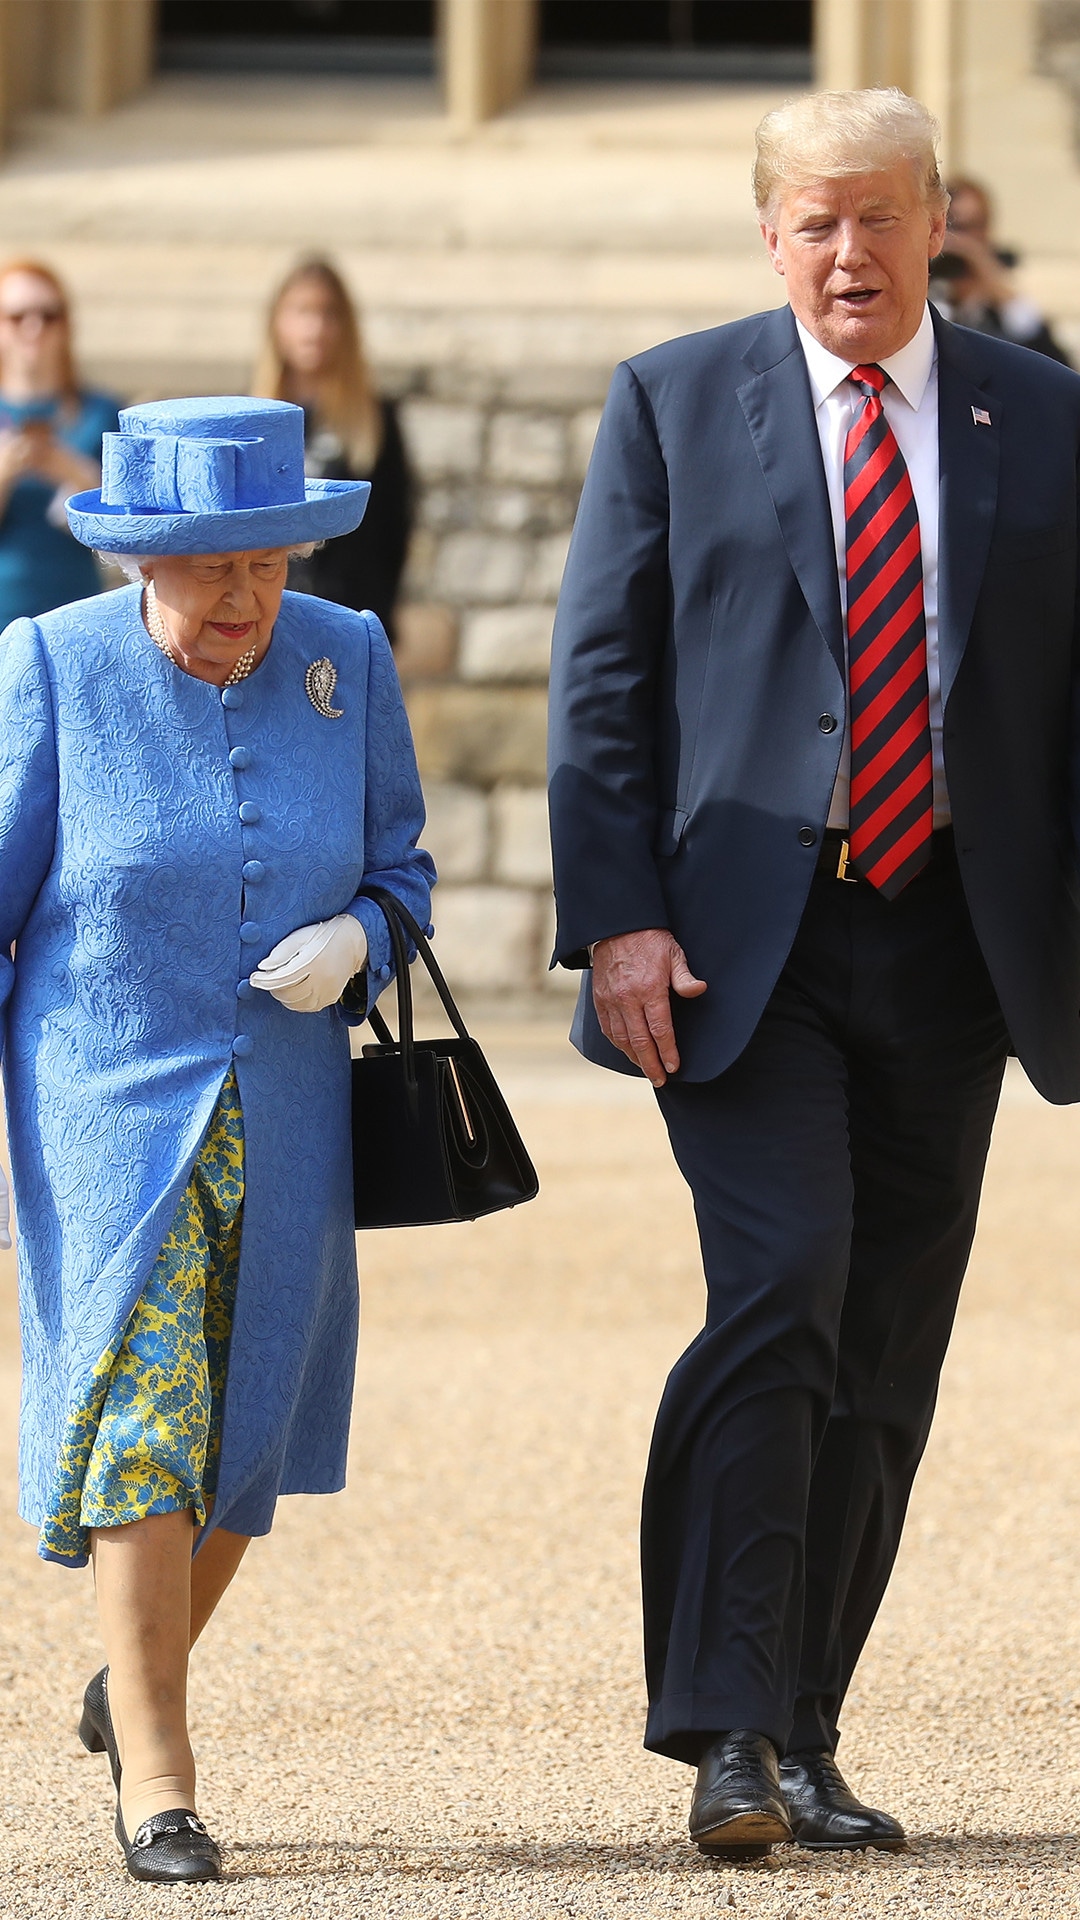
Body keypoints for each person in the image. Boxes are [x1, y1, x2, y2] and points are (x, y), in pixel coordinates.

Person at [548, 86, 1080, 1860]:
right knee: (784, 1290)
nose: (849, 253)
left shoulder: (1049, 417)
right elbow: (604, 686)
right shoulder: (676, 402)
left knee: (888, 1349)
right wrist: (617, 917)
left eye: (881, 216)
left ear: (941, 218)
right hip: (735, 954)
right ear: (767, 234)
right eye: (814, 221)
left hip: (957, 944)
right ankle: (724, 1727)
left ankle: (809, 1726)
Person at [0, 394, 434, 1883]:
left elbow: (404, 871)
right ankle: (163, 1784)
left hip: (293, 1114)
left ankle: (130, 1677)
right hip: (106, 1115)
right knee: (143, 1421)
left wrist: (360, 939)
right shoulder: (48, 668)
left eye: (270, 560)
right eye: (211, 567)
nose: (247, 595)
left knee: (251, 1434)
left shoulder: (348, 658)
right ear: (140, 562)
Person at [253, 257, 412, 641]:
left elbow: (395, 526)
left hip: (347, 617)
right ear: (277, 321)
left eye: (328, 314)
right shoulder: (252, 417)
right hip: (266, 620)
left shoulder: (374, 419)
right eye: (302, 312)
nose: (315, 328)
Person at [0, 258, 119, 626]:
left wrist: (76, 474)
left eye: (48, 315)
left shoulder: (101, 413)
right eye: (17, 317)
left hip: (74, 612)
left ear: (67, 324)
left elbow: (126, 527)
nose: (34, 328)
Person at [930, 175, 1072, 365]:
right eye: (952, 226)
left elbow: (1050, 357)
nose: (958, 239)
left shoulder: (1007, 272)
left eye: (970, 227)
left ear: (986, 229)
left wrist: (989, 276)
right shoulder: (930, 283)